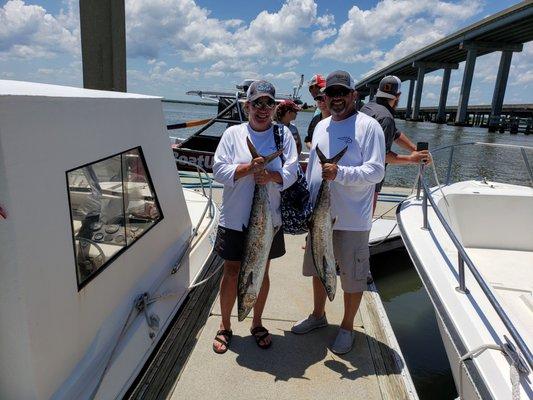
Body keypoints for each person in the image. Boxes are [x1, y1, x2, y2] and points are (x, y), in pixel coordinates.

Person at [291, 71, 385, 354]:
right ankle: (318, 316)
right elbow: (313, 171)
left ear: (354, 95)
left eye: (343, 93)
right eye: (331, 94)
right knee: (320, 269)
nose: (337, 98)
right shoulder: (321, 125)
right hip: (319, 217)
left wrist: (340, 172)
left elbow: (376, 170)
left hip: (352, 220)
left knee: (352, 277)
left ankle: (347, 327)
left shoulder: (369, 127)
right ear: (325, 97)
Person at [212, 80, 298, 354]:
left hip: (268, 220)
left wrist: (269, 175)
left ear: (275, 107)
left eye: (268, 103)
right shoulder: (233, 134)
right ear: (247, 106)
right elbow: (218, 170)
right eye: (257, 103)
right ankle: (225, 326)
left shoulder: (283, 135)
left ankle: (257, 323)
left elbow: (293, 172)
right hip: (234, 218)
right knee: (231, 271)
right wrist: (250, 168)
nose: (263, 109)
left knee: (263, 271)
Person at [360, 75, 431, 211]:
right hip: (371, 180)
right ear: (398, 96)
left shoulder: (368, 107)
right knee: (364, 221)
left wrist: (414, 148)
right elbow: (382, 156)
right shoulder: (386, 117)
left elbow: (395, 134)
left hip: (358, 173)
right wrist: (412, 159)